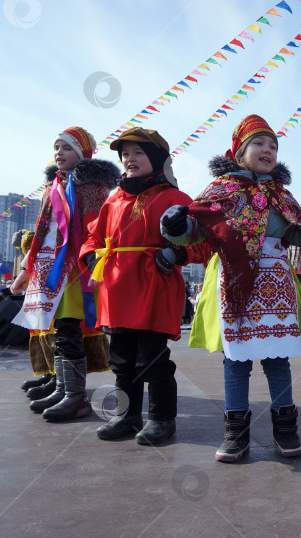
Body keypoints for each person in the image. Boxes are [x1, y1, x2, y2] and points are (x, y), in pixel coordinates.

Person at [162, 114, 301, 461]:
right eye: (259, 144)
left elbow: (300, 233)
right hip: (234, 279)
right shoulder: (219, 190)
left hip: (274, 280)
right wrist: (175, 227)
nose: (268, 150)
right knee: (236, 362)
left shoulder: (280, 193)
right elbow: (198, 231)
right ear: (239, 151)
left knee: (278, 359)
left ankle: (286, 428)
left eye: (273, 146)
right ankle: (236, 433)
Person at [81, 127, 209, 444]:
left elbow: (202, 241)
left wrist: (178, 251)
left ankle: (163, 420)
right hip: (117, 290)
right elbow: (92, 240)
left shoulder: (176, 198)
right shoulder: (113, 201)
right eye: (125, 154)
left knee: (152, 358)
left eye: (138, 152)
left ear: (156, 159)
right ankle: (128, 417)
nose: (130, 159)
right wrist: (91, 259)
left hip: (154, 286)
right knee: (121, 360)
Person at [12, 127, 116, 421]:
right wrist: (26, 270)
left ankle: (75, 396)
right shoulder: (52, 188)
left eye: (67, 147)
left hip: (74, 271)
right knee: (57, 330)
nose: (59, 152)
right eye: (56, 147)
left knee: (69, 330)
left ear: (83, 153)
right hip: (48, 270)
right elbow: (44, 231)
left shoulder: (93, 189)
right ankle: (62, 387)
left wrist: (93, 266)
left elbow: (98, 231)